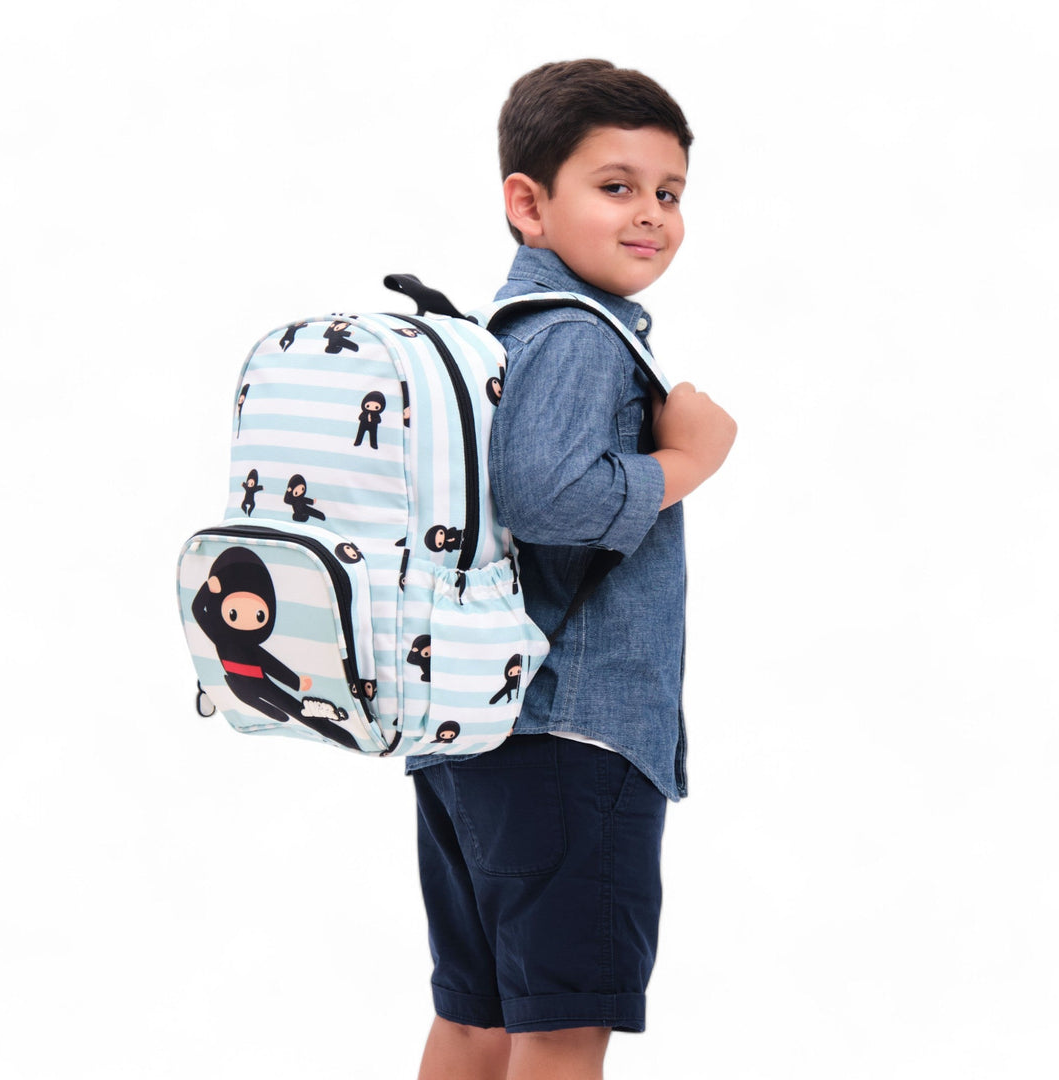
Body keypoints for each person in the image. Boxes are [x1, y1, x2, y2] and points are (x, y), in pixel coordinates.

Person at [407, 59, 737, 1080]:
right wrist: (688, 461)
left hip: (474, 728)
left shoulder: (499, 339)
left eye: (669, 192)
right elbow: (549, 498)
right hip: (572, 736)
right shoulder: (579, 338)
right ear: (529, 204)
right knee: (560, 1029)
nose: (651, 214)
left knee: (479, 1017)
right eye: (617, 185)